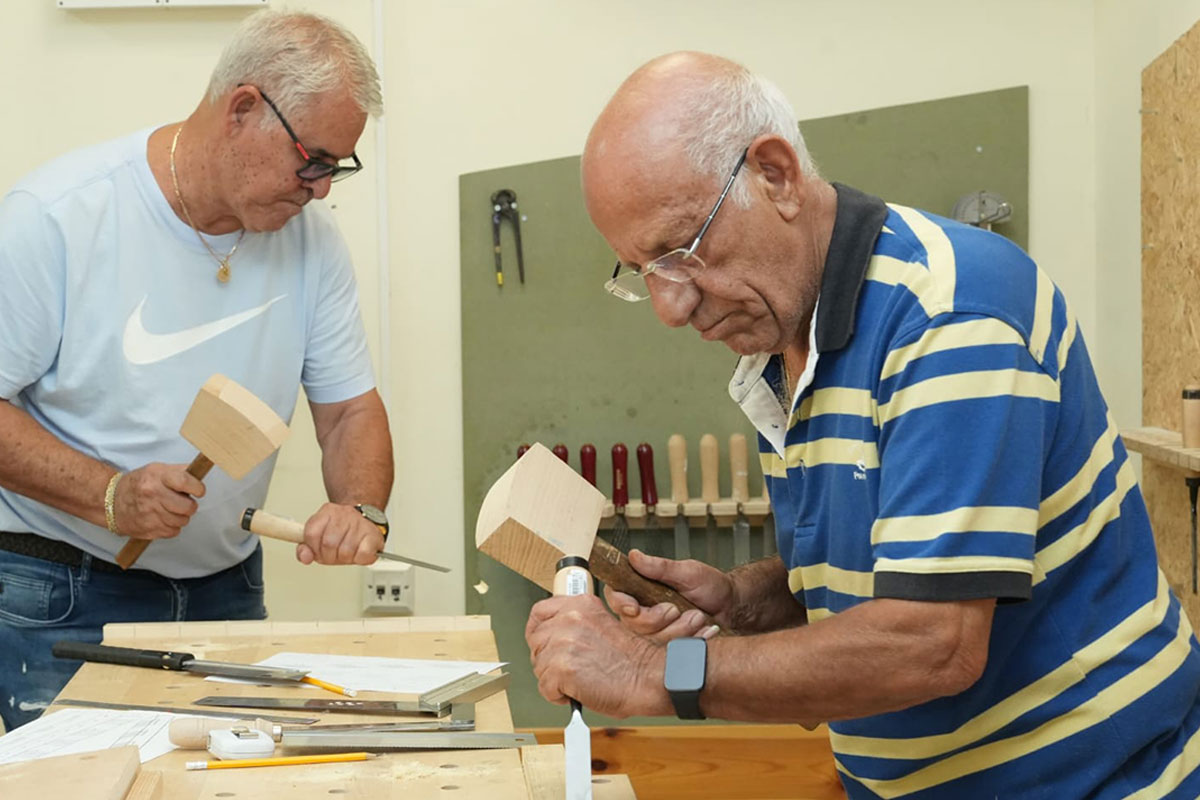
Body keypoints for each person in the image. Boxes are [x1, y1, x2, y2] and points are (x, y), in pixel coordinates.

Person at [525, 51, 1200, 797]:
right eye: (642, 272)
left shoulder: (949, 317)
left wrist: (650, 673)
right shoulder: (786, 347)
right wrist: (749, 601)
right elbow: (875, 568)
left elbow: (932, 643)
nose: (670, 307)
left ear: (776, 174)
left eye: (681, 252)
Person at [0, 10, 394, 732]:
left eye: (337, 167)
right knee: (82, 780)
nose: (321, 189)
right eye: (313, 160)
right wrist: (110, 494)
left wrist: (359, 507)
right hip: (64, 587)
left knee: (230, 777)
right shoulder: (58, 217)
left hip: (226, 588)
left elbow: (349, 412)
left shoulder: (313, 243)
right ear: (242, 109)